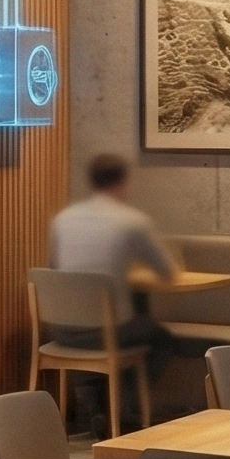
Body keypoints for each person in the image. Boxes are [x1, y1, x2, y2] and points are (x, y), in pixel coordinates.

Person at [46, 152, 178, 401]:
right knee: (160, 338)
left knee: (124, 318)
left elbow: (55, 268)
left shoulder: (62, 220)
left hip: (60, 330)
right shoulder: (132, 221)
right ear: (123, 181)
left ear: (91, 181)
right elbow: (167, 272)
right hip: (105, 332)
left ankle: (93, 408)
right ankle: (122, 408)